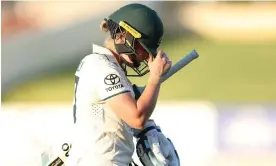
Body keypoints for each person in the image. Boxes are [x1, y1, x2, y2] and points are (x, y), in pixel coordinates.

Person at [67, 3, 180, 166]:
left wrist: (149, 130)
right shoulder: (103, 67)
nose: (146, 57)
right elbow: (136, 117)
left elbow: (124, 121)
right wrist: (155, 78)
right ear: (122, 36)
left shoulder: (110, 67)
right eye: (143, 47)